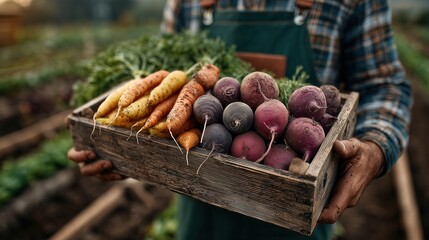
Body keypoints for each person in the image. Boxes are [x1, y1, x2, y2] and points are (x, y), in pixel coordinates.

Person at [68, 0, 412, 239]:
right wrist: (121, 146)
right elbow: (169, 67)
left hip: (297, 205)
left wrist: (375, 147)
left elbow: (384, 87)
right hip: (200, 204)